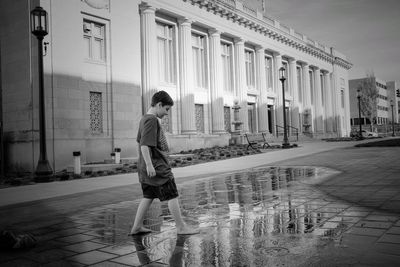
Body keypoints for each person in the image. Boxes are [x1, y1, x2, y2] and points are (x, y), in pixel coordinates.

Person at [130, 91, 199, 235]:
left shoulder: (144, 119)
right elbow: (144, 144)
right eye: (166, 109)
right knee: (172, 194)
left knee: (148, 196)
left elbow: (139, 140)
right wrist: (150, 164)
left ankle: (136, 227)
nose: (167, 113)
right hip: (157, 167)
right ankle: (181, 227)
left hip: (145, 167)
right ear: (159, 105)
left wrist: (147, 165)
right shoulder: (152, 120)